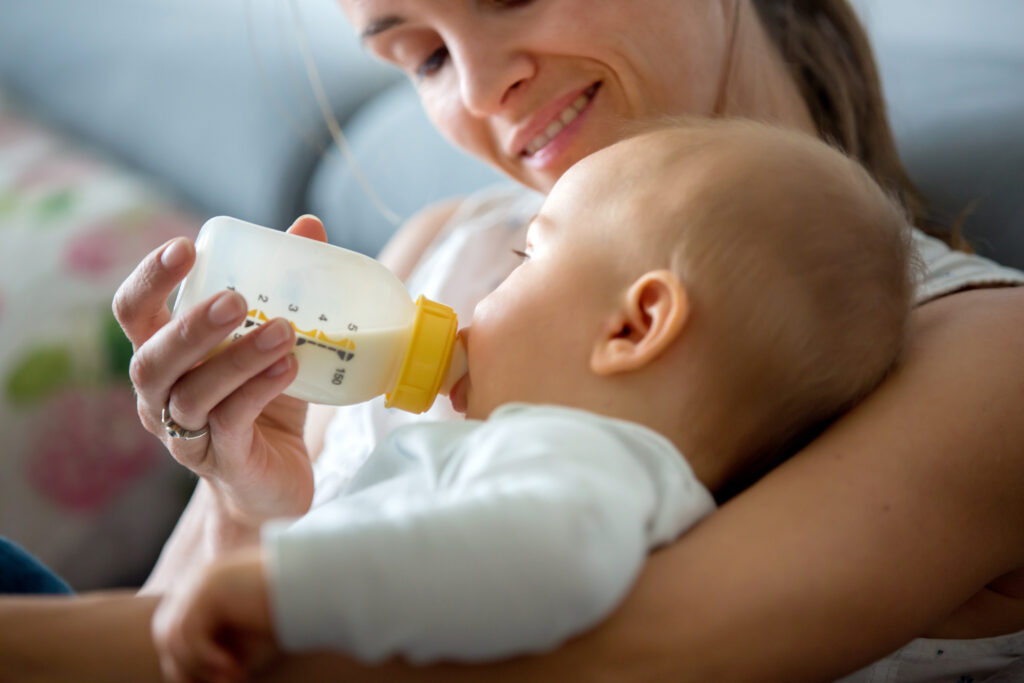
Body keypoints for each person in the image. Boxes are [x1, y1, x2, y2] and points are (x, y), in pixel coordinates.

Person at [4, 1, 1024, 681]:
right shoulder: (437, 248)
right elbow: (173, 618)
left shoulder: (982, 357)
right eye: (425, 54)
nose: (483, 87)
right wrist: (247, 498)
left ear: (643, 322)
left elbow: (560, 653)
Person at [150, 119, 914, 682]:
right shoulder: (567, 455)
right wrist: (255, 514)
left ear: (633, 326)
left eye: (525, 257)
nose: (479, 292)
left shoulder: (585, 457)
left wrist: (284, 586)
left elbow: (537, 555)